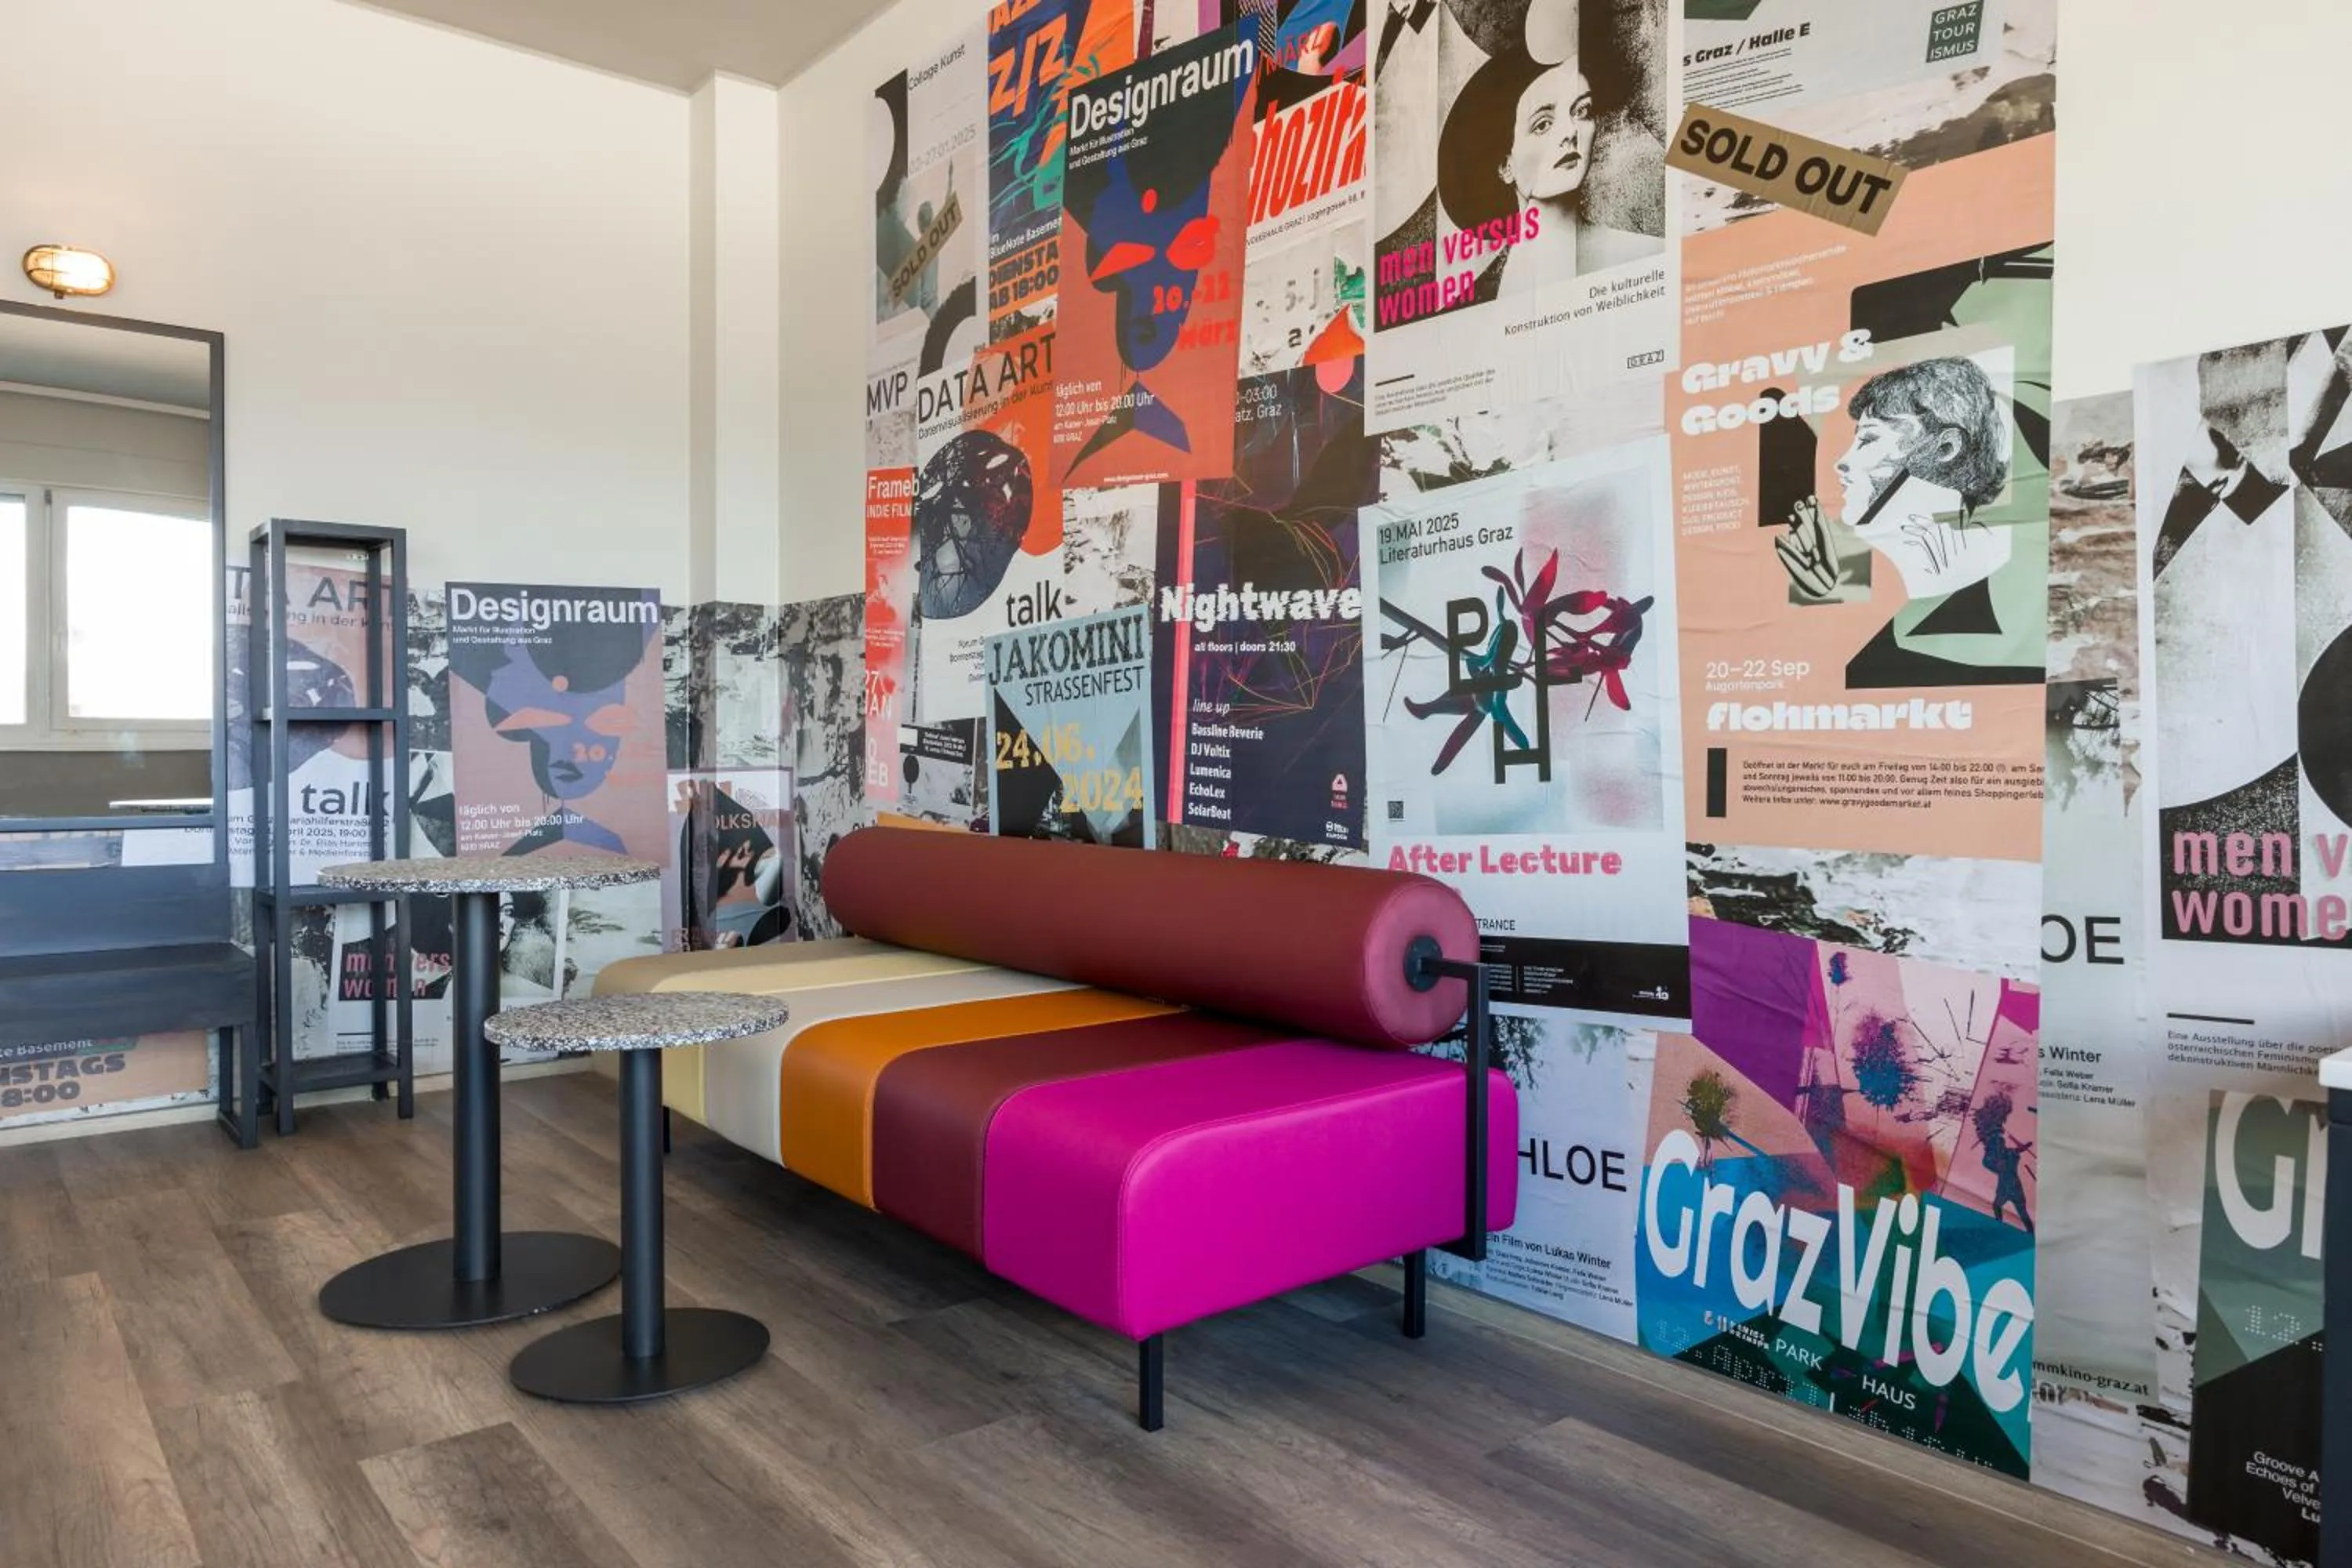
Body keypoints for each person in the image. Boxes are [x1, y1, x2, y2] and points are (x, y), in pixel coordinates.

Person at [1773, 357, 2043, 688]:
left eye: (1868, 440)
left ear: (1945, 448)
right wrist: (1825, 605)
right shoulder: (1869, 575)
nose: (1841, 462)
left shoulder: (2009, 576)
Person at [1436, 46, 1660, 301]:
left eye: (1581, 111)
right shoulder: (1506, 294)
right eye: (1542, 125)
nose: (1570, 132)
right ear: (1505, 166)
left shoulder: (1647, 255)